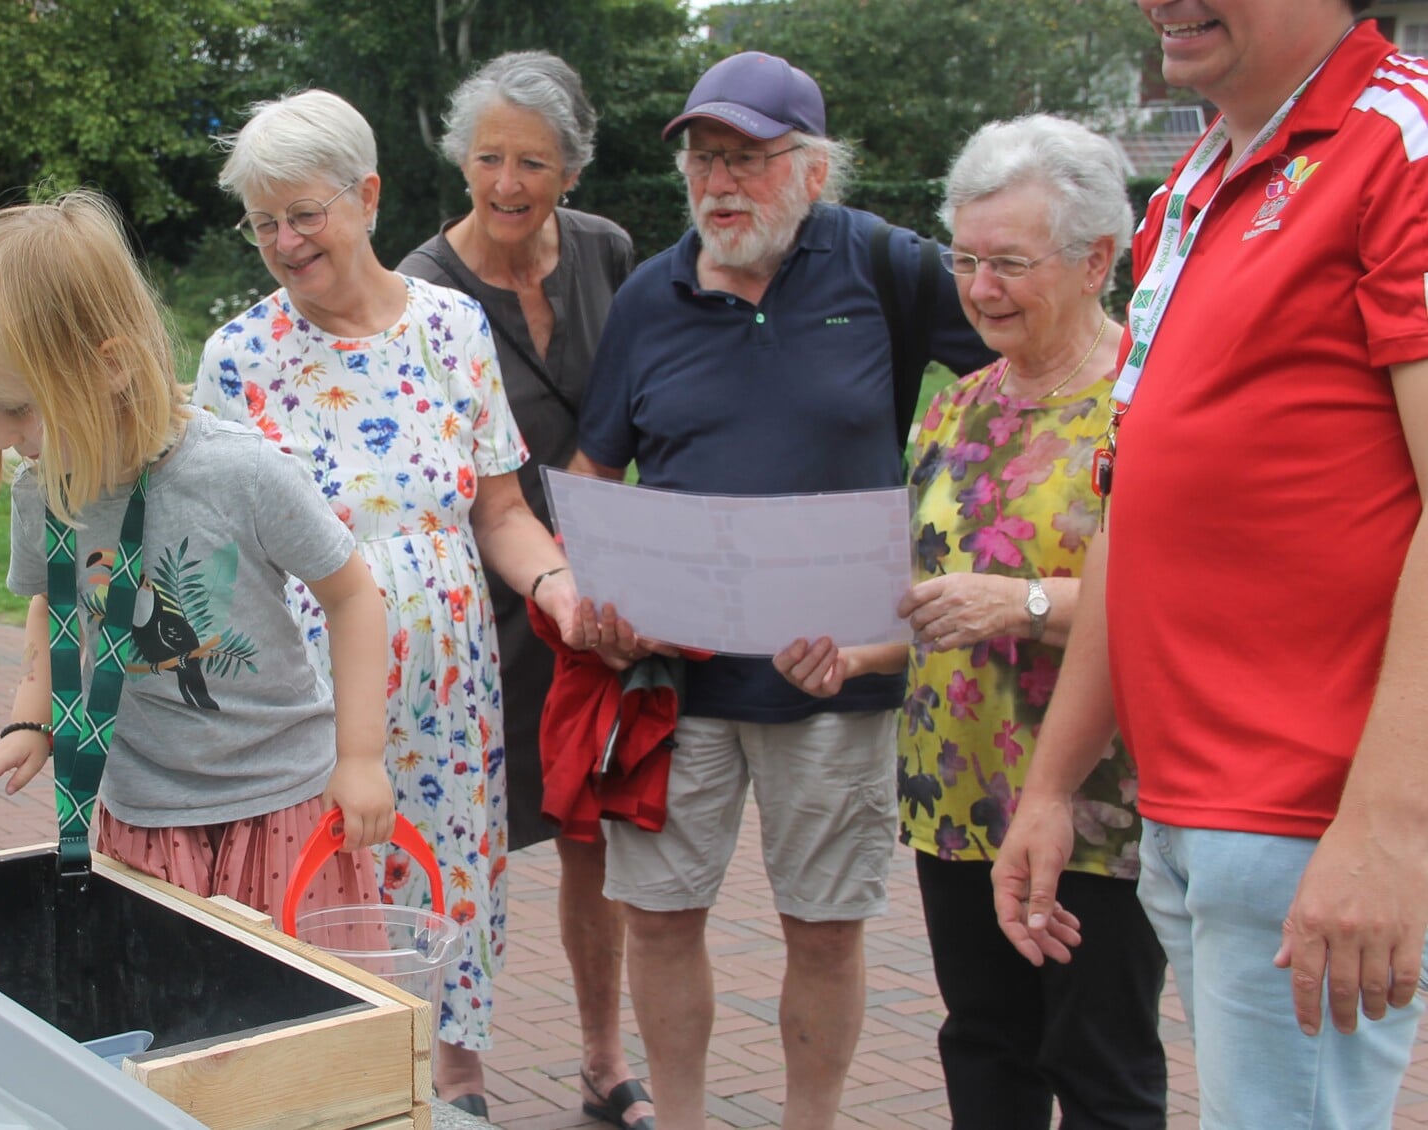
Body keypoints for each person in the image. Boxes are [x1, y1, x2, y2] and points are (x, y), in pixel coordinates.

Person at [992, 3, 1428, 1126]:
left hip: (1309, 810)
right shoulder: (1193, 177)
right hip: (1190, 811)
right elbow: (1131, 512)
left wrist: (1385, 825)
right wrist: (1051, 783)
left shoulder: (1398, 139)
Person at [569, 52, 992, 1130]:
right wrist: (602, 601)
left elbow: (1019, 368)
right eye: (705, 159)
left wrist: (967, 525)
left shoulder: (887, 267)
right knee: (659, 918)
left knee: (825, 926)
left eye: (748, 160)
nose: (720, 183)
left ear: (810, 172)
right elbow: (591, 476)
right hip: (673, 680)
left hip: (833, 675)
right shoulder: (647, 299)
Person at [192, 89, 603, 1117]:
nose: (284, 242)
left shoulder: (451, 327)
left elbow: (499, 508)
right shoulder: (239, 359)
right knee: (323, 891)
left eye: (304, 214)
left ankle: (454, 1083)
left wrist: (556, 582)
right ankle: (333, 1088)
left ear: (366, 195)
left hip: (452, 690)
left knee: (452, 881)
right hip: (311, 698)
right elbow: (207, 555)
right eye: (264, 222)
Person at [775, 115, 1166, 1128]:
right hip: (953, 787)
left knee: (1098, 1064)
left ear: (1095, 261)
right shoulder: (956, 407)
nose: (978, 287)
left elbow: (1183, 599)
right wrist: (857, 653)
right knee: (983, 1048)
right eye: (964, 259)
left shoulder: (1152, 407)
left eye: (1007, 262)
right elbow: (942, 598)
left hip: (1094, 800)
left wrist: (1027, 600)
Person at [0, 190, 395, 921]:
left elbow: (353, 596)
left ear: (108, 367)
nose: (2, 436)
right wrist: (29, 720)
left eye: (15, 407)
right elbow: (57, 603)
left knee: (295, 1019)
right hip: (143, 817)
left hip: (280, 804)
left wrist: (359, 759)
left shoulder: (241, 472)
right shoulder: (39, 490)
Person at [396, 51, 651, 1130]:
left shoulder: (606, 253)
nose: (506, 182)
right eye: (488, 156)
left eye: (531, 162)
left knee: (593, 835)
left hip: (589, 594)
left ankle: (602, 1062)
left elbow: (637, 401)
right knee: (469, 834)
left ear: (571, 170)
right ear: (461, 159)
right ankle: (457, 1066)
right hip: (475, 592)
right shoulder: (420, 284)